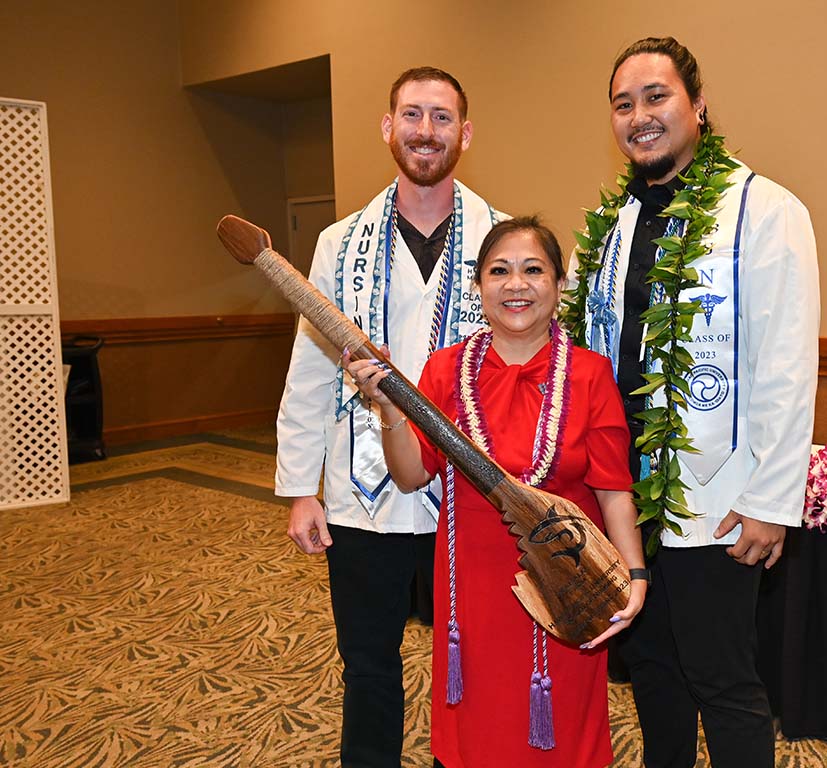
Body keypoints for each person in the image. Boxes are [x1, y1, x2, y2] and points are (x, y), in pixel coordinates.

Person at [564, 37, 820, 768]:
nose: (640, 116)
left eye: (657, 97)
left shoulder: (766, 211)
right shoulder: (606, 231)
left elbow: (788, 362)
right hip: (627, 499)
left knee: (723, 676)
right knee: (651, 668)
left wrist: (774, 498)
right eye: (623, 104)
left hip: (721, 500)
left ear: (698, 106)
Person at [345, 217, 649, 768]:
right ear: (479, 285)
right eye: (500, 271)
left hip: (567, 585)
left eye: (534, 270)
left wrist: (634, 573)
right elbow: (413, 476)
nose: (516, 284)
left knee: (564, 733)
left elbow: (613, 491)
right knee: (479, 732)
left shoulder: (589, 374)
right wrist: (388, 407)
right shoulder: (444, 370)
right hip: (474, 595)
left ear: (559, 286)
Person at [275, 66, 504, 767]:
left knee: (469, 663)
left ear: (464, 133)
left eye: (441, 118)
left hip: (465, 494)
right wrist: (298, 488)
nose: (425, 131)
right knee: (368, 663)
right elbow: (310, 367)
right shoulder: (339, 243)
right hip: (359, 493)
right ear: (388, 126)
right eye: (412, 115)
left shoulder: (501, 242)